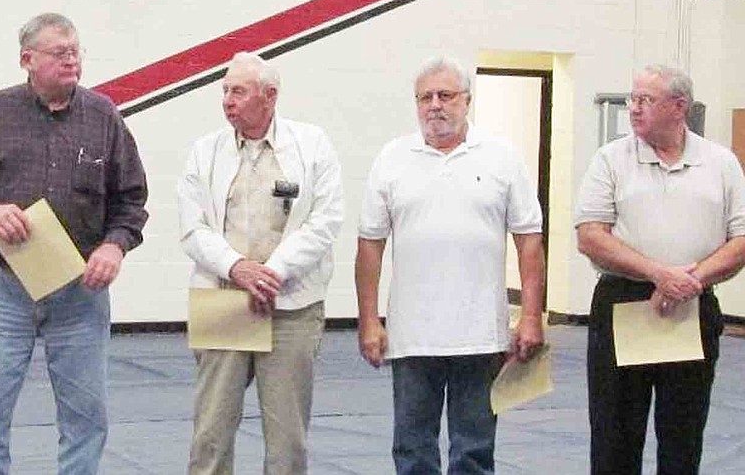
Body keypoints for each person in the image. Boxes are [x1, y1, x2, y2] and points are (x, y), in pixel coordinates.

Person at [0, 13, 149, 474]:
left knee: (86, 418)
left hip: (80, 293)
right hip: (2, 289)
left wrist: (114, 247)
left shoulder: (103, 117)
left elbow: (131, 200)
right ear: (27, 60)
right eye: (60, 52)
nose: (72, 60)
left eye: (76, 50)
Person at [355, 56, 545, 474]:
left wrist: (531, 316)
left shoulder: (501, 156)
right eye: (426, 97)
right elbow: (370, 246)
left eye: (446, 95)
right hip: (411, 339)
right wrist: (369, 321)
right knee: (412, 451)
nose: (435, 105)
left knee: (474, 452)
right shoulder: (391, 158)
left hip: (480, 337)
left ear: (467, 101)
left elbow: (529, 241)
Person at [177, 51, 344, 475]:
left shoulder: (313, 145)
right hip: (223, 299)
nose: (228, 100)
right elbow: (192, 228)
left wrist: (273, 273)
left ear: (269, 96)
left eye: (238, 91)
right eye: (225, 91)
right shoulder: (203, 151)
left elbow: (325, 222)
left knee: (287, 439)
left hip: (292, 304)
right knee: (210, 434)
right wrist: (237, 268)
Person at [575, 64, 745, 475]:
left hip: (691, 304)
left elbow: (741, 239)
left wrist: (691, 279)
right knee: (615, 435)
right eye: (632, 99)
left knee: (683, 436)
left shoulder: (720, 162)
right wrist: (657, 274)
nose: (633, 109)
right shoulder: (610, 159)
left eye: (645, 100)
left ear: (679, 106)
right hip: (625, 303)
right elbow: (590, 235)